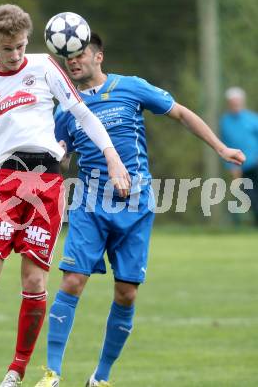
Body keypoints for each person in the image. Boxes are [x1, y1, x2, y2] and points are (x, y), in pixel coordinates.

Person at [35, 33, 245, 387]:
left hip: (136, 204)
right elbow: (62, 154)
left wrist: (221, 148)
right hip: (90, 202)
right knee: (72, 280)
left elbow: (179, 113)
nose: (73, 61)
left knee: (127, 292)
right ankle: (52, 373)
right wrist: (55, 156)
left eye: (80, 53)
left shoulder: (129, 87)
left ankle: (100, 378)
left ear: (98, 56)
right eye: (66, 56)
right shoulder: (67, 108)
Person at [0, 7, 130, 387]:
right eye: (8, 48)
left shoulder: (45, 66)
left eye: (21, 47)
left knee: (34, 283)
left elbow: (80, 112)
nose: (16, 55)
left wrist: (111, 155)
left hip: (47, 183)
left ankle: (17, 370)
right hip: (5, 181)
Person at [220, 86, 258, 225]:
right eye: (232, 101)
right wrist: (230, 165)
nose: (235, 104)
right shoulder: (225, 122)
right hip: (241, 167)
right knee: (250, 196)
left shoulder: (253, 119)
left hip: (256, 163)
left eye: (237, 101)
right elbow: (225, 144)